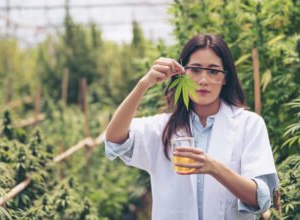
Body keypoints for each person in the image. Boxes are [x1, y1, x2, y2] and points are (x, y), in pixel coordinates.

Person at [104, 34, 278, 220]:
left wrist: (213, 167)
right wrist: (143, 84)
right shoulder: (162, 127)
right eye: (195, 70)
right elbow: (114, 139)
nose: (203, 80)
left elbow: (260, 198)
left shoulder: (249, 124)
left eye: (213, 71)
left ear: (225, 78)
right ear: (182, 74)